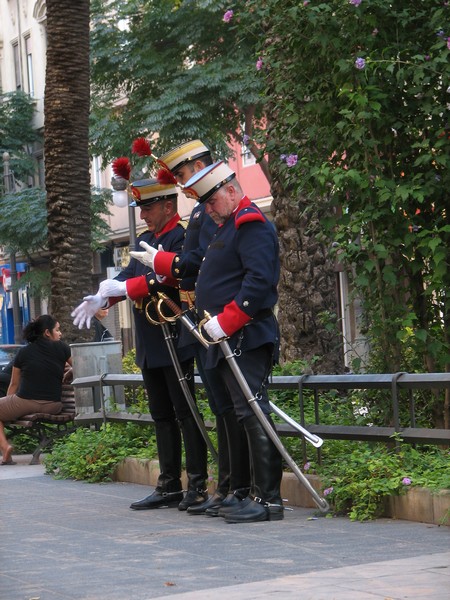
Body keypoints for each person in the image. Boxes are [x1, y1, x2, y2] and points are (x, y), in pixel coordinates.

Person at [71, 178, 208, 511]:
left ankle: (198, 484)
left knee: (185, 412)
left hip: (174, 334)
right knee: (161, 414)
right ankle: (169, 484)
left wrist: (121, 288)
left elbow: (164, 277)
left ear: (168, 206)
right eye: (142, 209)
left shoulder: (182, 237)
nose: (144, 215)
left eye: (148, 208)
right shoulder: (147, 239)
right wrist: (104, 296)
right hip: (149, 337)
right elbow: (128, 277)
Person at [130, 141, 252, 516]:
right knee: (210, 408)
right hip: (193, 327)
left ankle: (229, 487)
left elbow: (192, 267)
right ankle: (223, 486)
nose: (183, 186)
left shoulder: (215, 215)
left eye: (183, 175)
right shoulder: (203, 214)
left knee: (229, 409)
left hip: (208, 324)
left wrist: (162, 264)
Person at [184, 161, 283, 523]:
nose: (208, 210)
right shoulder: (227, 226)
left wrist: (225, 321)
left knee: (254, 412)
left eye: (211, 201)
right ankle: (256, 493)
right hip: (230, 337)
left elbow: (257, 283)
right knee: (245, 413)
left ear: (230, 190)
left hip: (246, 334)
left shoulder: (250, 224)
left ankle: (269, 500)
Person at [0, 315, 72, 465]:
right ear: (47, 332)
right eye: (57, 330)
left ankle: (5, 448)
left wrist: (9, 406)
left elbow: (14, 384)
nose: (60, 334)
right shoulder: (63, 348)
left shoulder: (24, 352)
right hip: (54, 405)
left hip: (25, 401)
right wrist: (70, 371)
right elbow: (80, 365)